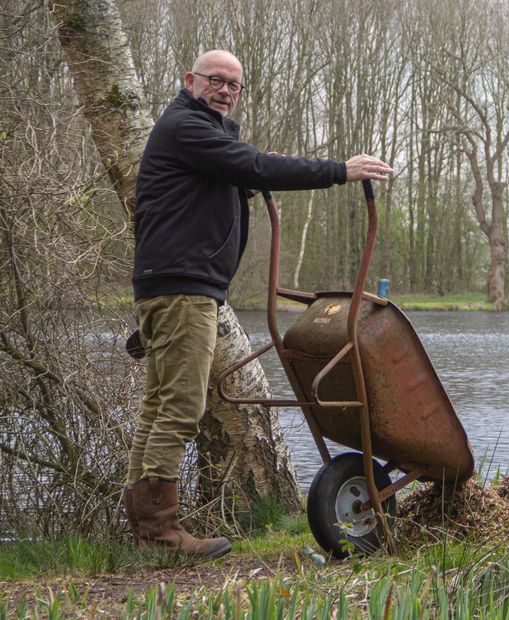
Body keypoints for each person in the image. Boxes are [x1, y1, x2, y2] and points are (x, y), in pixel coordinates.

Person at [124, 50, 393, 559]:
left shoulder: (204, 135)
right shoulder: (186, 126)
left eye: (234, 84)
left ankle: (144, 524)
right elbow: (253, 163)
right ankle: (159, 526)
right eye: (215, 81)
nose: (225, 90)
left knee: (159, 404)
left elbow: (238, 170)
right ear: (190, 81)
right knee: (180, 405)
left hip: (174, 282)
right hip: (182, 287)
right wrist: (339, 170)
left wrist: (244, 185)